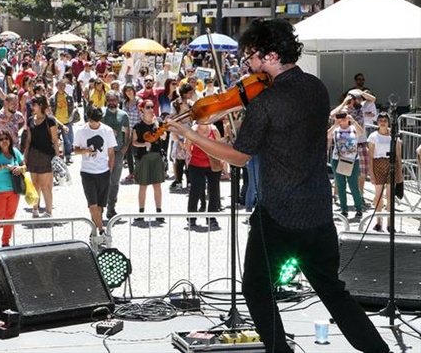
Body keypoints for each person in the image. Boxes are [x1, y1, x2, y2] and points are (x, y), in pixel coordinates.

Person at [166, 18, 389, 353]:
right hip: (317, 210)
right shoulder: (316, 88)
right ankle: (378, 350)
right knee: (333, 291)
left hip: (279, 215)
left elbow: (239, 156)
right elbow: (287, 116)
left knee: (256, 288)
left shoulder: (266, 102)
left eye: (252, 57)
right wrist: (228, 108)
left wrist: (190, 134)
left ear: (270, 56)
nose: (248, 65)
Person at [73, 106, 116, 242]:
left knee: (99, 207)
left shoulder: (107, 130)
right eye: (92, 121)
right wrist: (85, 150)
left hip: (103, 172)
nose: (94, 124)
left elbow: (111, 153)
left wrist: (110, 170)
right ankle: (102, 231)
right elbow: (75, 150)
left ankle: (94, 231)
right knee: (92, 204)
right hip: (87, 171)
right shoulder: (81, 131)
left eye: (96, 122)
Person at [23, 95, 61, 218]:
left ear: (40, 105)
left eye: (33, 105)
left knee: (46, 185)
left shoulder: (50, 120)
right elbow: (28, 139)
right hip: (33, 154)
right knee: (34, 184)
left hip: (46, 155)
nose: (31, 107)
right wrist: (25, 155)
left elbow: (55, 140)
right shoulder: (30, 120)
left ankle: (49, 211)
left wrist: (57, 157)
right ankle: (35, 209)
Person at [0, 131, 24, 248]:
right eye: (1, 139)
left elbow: (25, 166)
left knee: (10, 216)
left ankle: (5, 242)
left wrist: (19, 168)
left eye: (6, 138)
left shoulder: (15, 151)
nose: (4, 141)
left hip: (14, 189)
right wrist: (3, 166)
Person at [130, 100, 166, 221]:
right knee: (143, 185)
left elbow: (164, 136)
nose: (151, 109)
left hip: (156, 156)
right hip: (143, 157)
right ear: (142, 110)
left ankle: (159, 212)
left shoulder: (158, 123)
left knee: (157, 185)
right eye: (148, 107)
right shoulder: (138, 126)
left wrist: (157, 126)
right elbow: (134, 142)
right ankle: (141, 212)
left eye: (152, 107)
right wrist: (143, 144)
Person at [367, 112, 401, 232]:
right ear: (377, 122)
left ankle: (390, 223)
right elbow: (370, 156)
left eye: (385, 120)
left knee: (390, 196)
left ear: (388, 122)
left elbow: (398, 155)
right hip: (378, 164)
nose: (382, 122)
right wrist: (371, 173)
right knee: (379, 195)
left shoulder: (394, 135)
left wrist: (400, 173)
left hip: (391, 164)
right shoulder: (373, 136)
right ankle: (378, 221)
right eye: (380, 120)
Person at [185, 122, 222, 230]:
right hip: (196, 164)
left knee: (214, 190)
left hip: (212, 164)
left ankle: (212, 218)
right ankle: (191, 217)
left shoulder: (214, 130)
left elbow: (219, 145)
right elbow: (188, 147)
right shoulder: (193, 130)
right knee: (195, 190)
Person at [328, 111, 365, 220]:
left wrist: (353, 120)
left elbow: (361, 132)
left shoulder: (353, 128)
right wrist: (335, 123)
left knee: (353, 185)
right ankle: (344, 209)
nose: (343, 119)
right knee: (341, 185)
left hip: (352, 160)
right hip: (338, 159)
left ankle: (359, 208)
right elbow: (327, 135)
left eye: (344, 116)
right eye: (341, 117)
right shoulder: (336, 129)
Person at [101, 92, 129, 219]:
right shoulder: (101, 113)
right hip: (103, 152)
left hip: (118, 152)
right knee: (102, 180)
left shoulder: (123, 115)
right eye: (109, 100)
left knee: (114, 182)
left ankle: (111, 208)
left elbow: (128, 135)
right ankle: (100, 206)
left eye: (114, 100)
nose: (111, 102)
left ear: (118, 101)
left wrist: (124, 150)